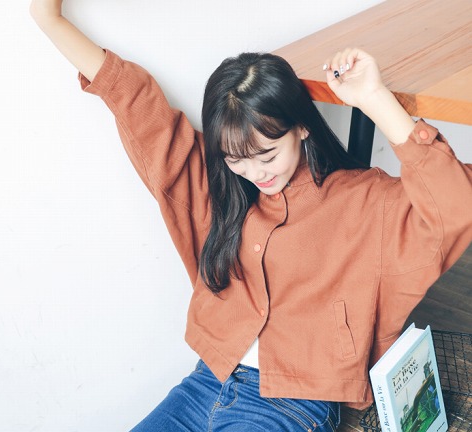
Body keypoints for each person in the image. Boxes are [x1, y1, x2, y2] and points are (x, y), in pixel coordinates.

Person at [30, 1, 472, 431]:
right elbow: (132, 97)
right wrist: (47, 17)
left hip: (293, 403)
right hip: (206, 382)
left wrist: (375, 99)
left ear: (301, 126)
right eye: (236, 158)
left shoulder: (363, 200)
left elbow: (456, 206)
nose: (255, 173)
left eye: (267, 155)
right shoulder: (217, 187)